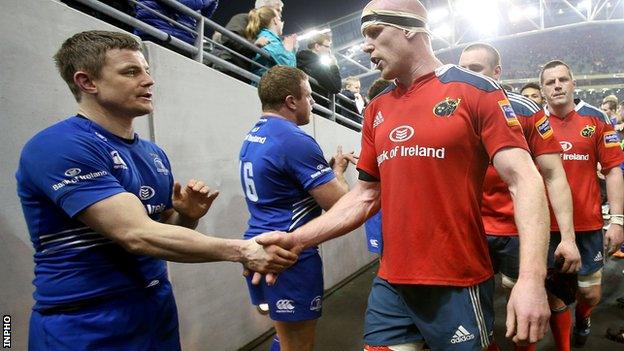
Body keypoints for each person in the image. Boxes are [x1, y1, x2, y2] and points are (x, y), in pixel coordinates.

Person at [255, 1, 552, 350]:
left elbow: (525, 180)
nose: (366, 45)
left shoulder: (476, 90)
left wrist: (531, 278)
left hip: (457, 278)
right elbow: (365, 196)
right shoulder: (378, 108)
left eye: (374, 32)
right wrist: (298, 239)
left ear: (410, 29)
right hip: (391, 280)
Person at [16, 30, 297, 351]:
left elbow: (158, 236)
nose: (148, 80)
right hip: (85, 321)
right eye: (131, 72)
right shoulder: (60, 145)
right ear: (87, 82)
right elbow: (134, 234)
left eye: (147, 70)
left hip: (155, 307)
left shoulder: (153, 154)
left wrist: (186, 216)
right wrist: (243, 250)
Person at [459, 43, 581, 351]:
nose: (466, 78)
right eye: (462, 70)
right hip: (471, 230)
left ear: (496, 73)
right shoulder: (450, 109)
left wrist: (567, 237)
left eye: (476, 70)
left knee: (539, 300)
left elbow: (554, 175)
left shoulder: (526, 110)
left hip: (518, 231)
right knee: (471, 305)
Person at [239, 65, 357, 351]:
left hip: (258, 244)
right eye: (309, 95)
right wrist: (339, 171)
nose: (314, 102)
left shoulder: (256, 133)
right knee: (298, 345)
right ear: (291, 101)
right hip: (288, 255)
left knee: (284, 336)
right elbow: (340, 204)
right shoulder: (294, 139)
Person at [540, 59, 624, 347]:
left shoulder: (597, 118)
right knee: (555, 294)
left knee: (589, 294)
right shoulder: (532, 122)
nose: (558, 85)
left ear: (573, 83)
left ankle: (584, 317)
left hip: (587, 225)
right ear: (543, 90)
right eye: (550, 82)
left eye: (563, 79)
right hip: (545, 227)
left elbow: (613, 170)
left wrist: (617, 220)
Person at [214, 0, 283, 78]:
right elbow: (228, 37)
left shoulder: (267, 32)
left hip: (246, 74)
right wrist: (253, 45)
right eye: (277, 10)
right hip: (228, 67)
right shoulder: (243, 18)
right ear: (264, 8)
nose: (280, 15)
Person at [134, 0, 219, 45]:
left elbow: (203, 16)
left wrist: (213, 2)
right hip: (158, 34)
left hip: (181, 40)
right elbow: (181, 4)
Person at [245, 6, 296, 77]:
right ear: (275, 20)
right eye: (280, 19)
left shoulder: (267, 37)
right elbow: (289, 70)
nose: (282, 23)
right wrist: (289, 50)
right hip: (267, 85)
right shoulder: (269, 39)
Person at [296, 33, 342, 98]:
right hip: (315, 103)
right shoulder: (318, 66)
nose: (329, 51)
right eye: (327, 47)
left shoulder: (299, 59)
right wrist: (334, 66)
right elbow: (336, 88)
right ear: (317, 46)